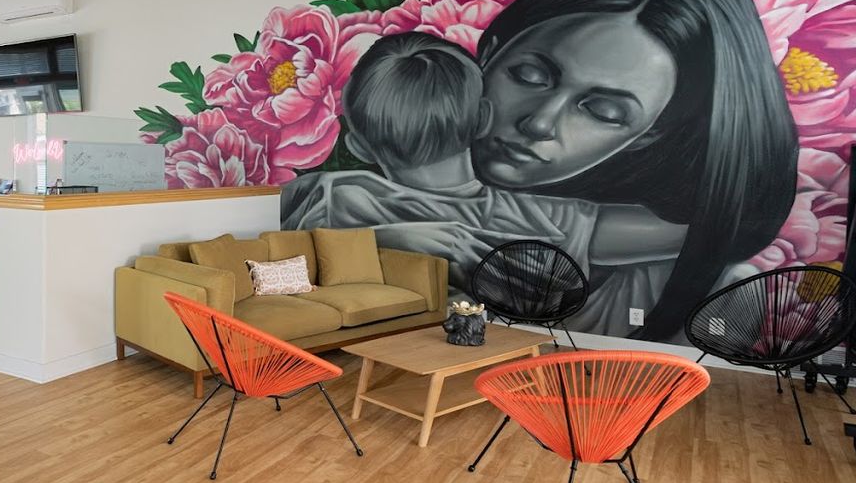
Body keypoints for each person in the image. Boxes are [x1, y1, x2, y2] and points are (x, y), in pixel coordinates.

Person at [464, 0, 798, 340]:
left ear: (650, 133)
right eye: (530, 76)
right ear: (489, 53)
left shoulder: (696, 281)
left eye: (603, 111)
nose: (539, 123)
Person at [281, 31, 679, 293]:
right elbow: (688, 232)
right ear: (484, 119)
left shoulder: (326, 196)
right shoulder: (550, 219)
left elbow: (276, 262)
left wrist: (380, 241)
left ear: (359, 147)